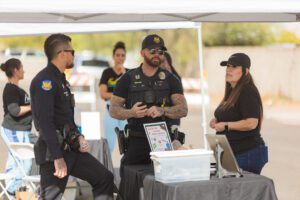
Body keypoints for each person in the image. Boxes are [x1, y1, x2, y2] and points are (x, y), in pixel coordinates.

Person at [30, 33, 114, 200]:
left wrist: (79, 136)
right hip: (54, 152)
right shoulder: (45, 81)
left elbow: (66, 118)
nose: (74, 55)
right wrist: (57, 157)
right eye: (72, 51)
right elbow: (45, 123)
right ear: (62, 53)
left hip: (71, 149)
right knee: (50, 197)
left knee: (104, 177)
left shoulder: (60, 79)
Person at [109, 34, 188, 199]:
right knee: (129, 188)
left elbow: (183, 109)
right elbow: (114, 110)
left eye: (160, 51)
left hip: (162, 142)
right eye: (152, 50)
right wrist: (132, 112)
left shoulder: (171, 79)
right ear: (142, 53)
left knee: (163, 187)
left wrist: (163, 111)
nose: (157, 54)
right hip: (136, 142)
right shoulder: (127, 79)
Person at [209, 53, 268, 174]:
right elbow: (232, 113)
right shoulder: (232, 91)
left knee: (243, 191)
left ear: (246, 71)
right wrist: (216, 119)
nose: (229, 70)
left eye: (234, 67)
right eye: (228, 66)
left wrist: (225, 125)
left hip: (247, 153)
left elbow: (252, 122)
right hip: (232, 152)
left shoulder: (247, 90)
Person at [0, 58, 32, 196]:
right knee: (24, 164)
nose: (24, 70)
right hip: (14, 129)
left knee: (16, 163)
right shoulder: (11, 90)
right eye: (22, 67)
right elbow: (15, 110)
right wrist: (33, 106)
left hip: (21, 130)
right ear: (15, 70)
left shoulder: (16, 89)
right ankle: (12, 192)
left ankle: (13, 193)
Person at [99, 41, 128, 153]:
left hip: (125, 112)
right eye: (118, 55)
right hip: (110, 111)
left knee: (126, 145)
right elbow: (103, 94)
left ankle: (125, 169)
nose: (120, 58)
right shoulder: (107, 72)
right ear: (113, 56)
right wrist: (118, 96)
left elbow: (130, 93)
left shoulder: (129, 73)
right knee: (109, 145)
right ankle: (107, 169)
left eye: (123, 55)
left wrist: (124, 74)